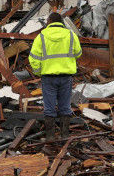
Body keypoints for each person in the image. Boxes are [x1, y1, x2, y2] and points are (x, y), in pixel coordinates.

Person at [28, 11, 82, 139]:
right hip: (66, 77)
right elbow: (78, 53)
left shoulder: (41, 36)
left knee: (49, 108)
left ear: (49, 22)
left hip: (48, 78)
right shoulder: (71, 35)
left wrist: (38, 72)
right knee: (65, 107)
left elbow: (33, 58)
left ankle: (50, 137)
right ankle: (65, 136)